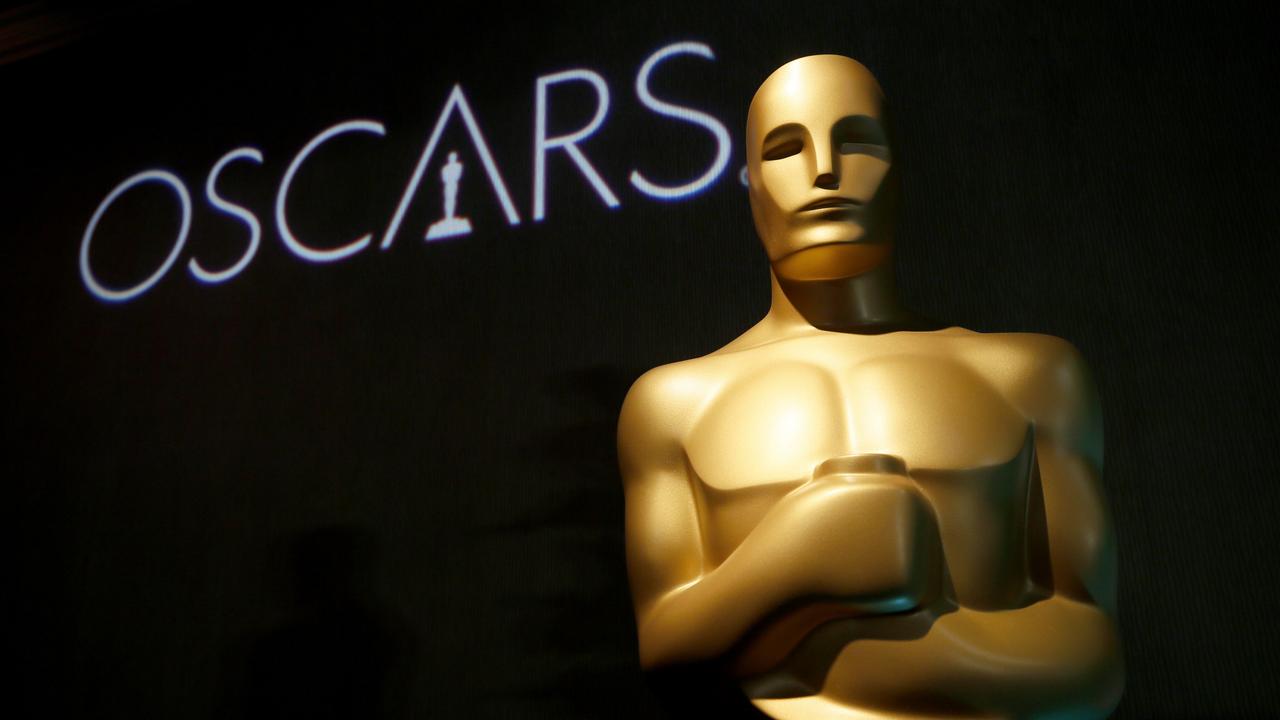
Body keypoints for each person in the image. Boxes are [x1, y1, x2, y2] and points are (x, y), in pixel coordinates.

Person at [618, 54, 1123, 719]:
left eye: (856, 140)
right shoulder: (674, 405)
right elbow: (665, 644)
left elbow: (1092, 651)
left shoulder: (1029, 377)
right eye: (785, 148)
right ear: (752, 186)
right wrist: (798, 552)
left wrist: (903, 647)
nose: (824, 169)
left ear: (900, 170)